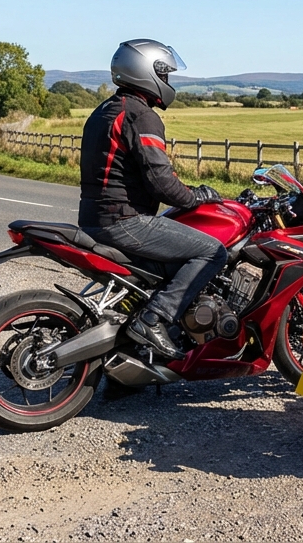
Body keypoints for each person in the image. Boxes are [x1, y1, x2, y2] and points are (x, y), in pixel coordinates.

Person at [78, 39, 226, 361]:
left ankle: (128, 365)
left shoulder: (104, 110)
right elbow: (161, 182)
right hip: (124, 221)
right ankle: (153, 318)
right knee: (213, 251)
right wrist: (196, 196)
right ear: (147, 72)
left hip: (94, 218)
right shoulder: (141, 116)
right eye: (165, 73)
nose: (168, 81)